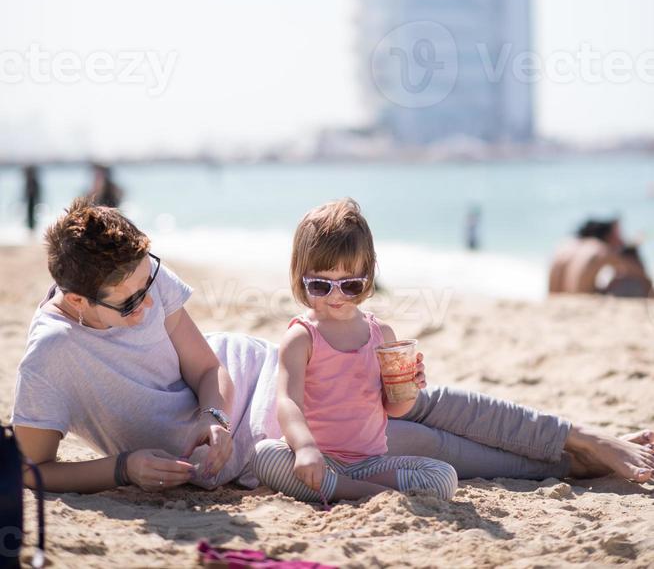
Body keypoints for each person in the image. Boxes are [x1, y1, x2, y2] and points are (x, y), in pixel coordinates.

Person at [11, 198, 654, 497]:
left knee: (426, 402)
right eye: (127, 305)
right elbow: (31, 473)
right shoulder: (51, 359)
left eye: (149, 283)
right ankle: (574, 461)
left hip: (261, 375)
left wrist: (210, 416)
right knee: (449, 451)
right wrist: (124, 470)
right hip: (281, 428)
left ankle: (586, 437)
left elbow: (207, 367)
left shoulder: (145, 276)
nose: (149, 305)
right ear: (73, 301)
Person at [252, 200, 458, 502]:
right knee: (264, 456)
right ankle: (370, 494)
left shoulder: (381, 334)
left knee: (444, 477)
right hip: (318, 458)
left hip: (371, 465)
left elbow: (395, 409)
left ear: (368, 276)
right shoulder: (302, 337)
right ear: (300, 277)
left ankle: (346, 488)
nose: (336, 295)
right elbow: (288, 403)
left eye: (349, 285)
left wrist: (409, 389)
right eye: (321, 285)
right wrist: (305, 447)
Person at [548, 218, 651, 297]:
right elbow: (638, 273)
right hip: (581, 300)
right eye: (617, 237)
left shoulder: (566, 246)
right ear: (608, 236)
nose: (621, 241)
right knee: (633, 284)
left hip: (555, 298)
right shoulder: (599, 249)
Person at [23, 165, 41, 232]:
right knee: (30, 214)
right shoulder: (31, 180)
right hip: (30, 200)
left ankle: (32, 228)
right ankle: (31, 228)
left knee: (32, 214)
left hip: (32, 200)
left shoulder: (32, 180)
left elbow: (35, 191)